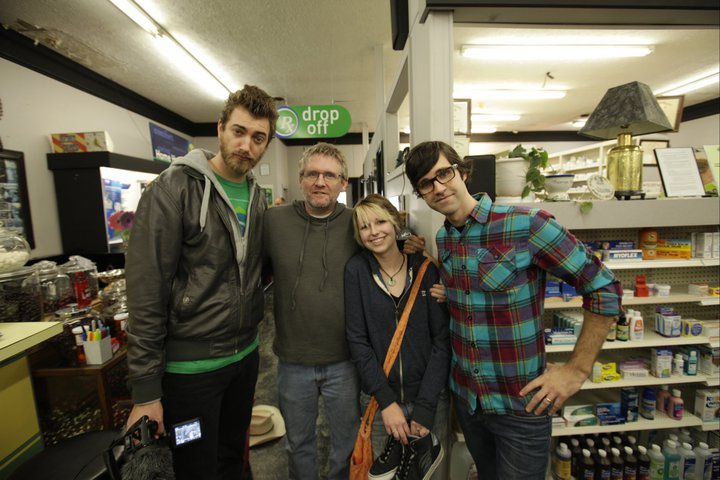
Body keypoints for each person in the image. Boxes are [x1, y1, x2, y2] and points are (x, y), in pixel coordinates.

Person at [404, 141, 623, 479]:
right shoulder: (445, 238)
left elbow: (603, 286)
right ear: (421, 194)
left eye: (443, 173)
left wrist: (576, 371)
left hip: (520, 405)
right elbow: (479, 293)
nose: (438, 187)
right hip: (469, 401)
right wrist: (453, 292)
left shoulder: (527, 224)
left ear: (462, 172)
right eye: (426, 183)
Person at [124, 85, 278, 479]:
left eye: (258, 138)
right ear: (221, 128)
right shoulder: (173, 189)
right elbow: (146, 294)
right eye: (239, 131)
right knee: (195, 465)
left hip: (244, 363)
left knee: (234, 458)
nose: (246, 145)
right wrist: (145, 395)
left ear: (266, 144)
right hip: (190, 375)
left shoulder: (258, 198)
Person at [263, 142, 427, 479]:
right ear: (300, 178)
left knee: (346, 445)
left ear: (343, 183)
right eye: (312, 174)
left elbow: (389, 241)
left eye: (329, 175)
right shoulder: (273, 221)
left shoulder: (357, 223)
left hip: (345, 361)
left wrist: (412, 245)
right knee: (298, 446)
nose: (320, 181)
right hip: (293, 361)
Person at [345, 194, 450, 480]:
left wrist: (426, 406)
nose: (374, 231)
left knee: (429, 475)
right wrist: (387, 402)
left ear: (395, 223)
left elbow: (442, 342)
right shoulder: (356, 271)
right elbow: (358, 340)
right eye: (365, 227)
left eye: (380, 221)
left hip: (429, 398)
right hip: (380, 403)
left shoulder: (425, 270)